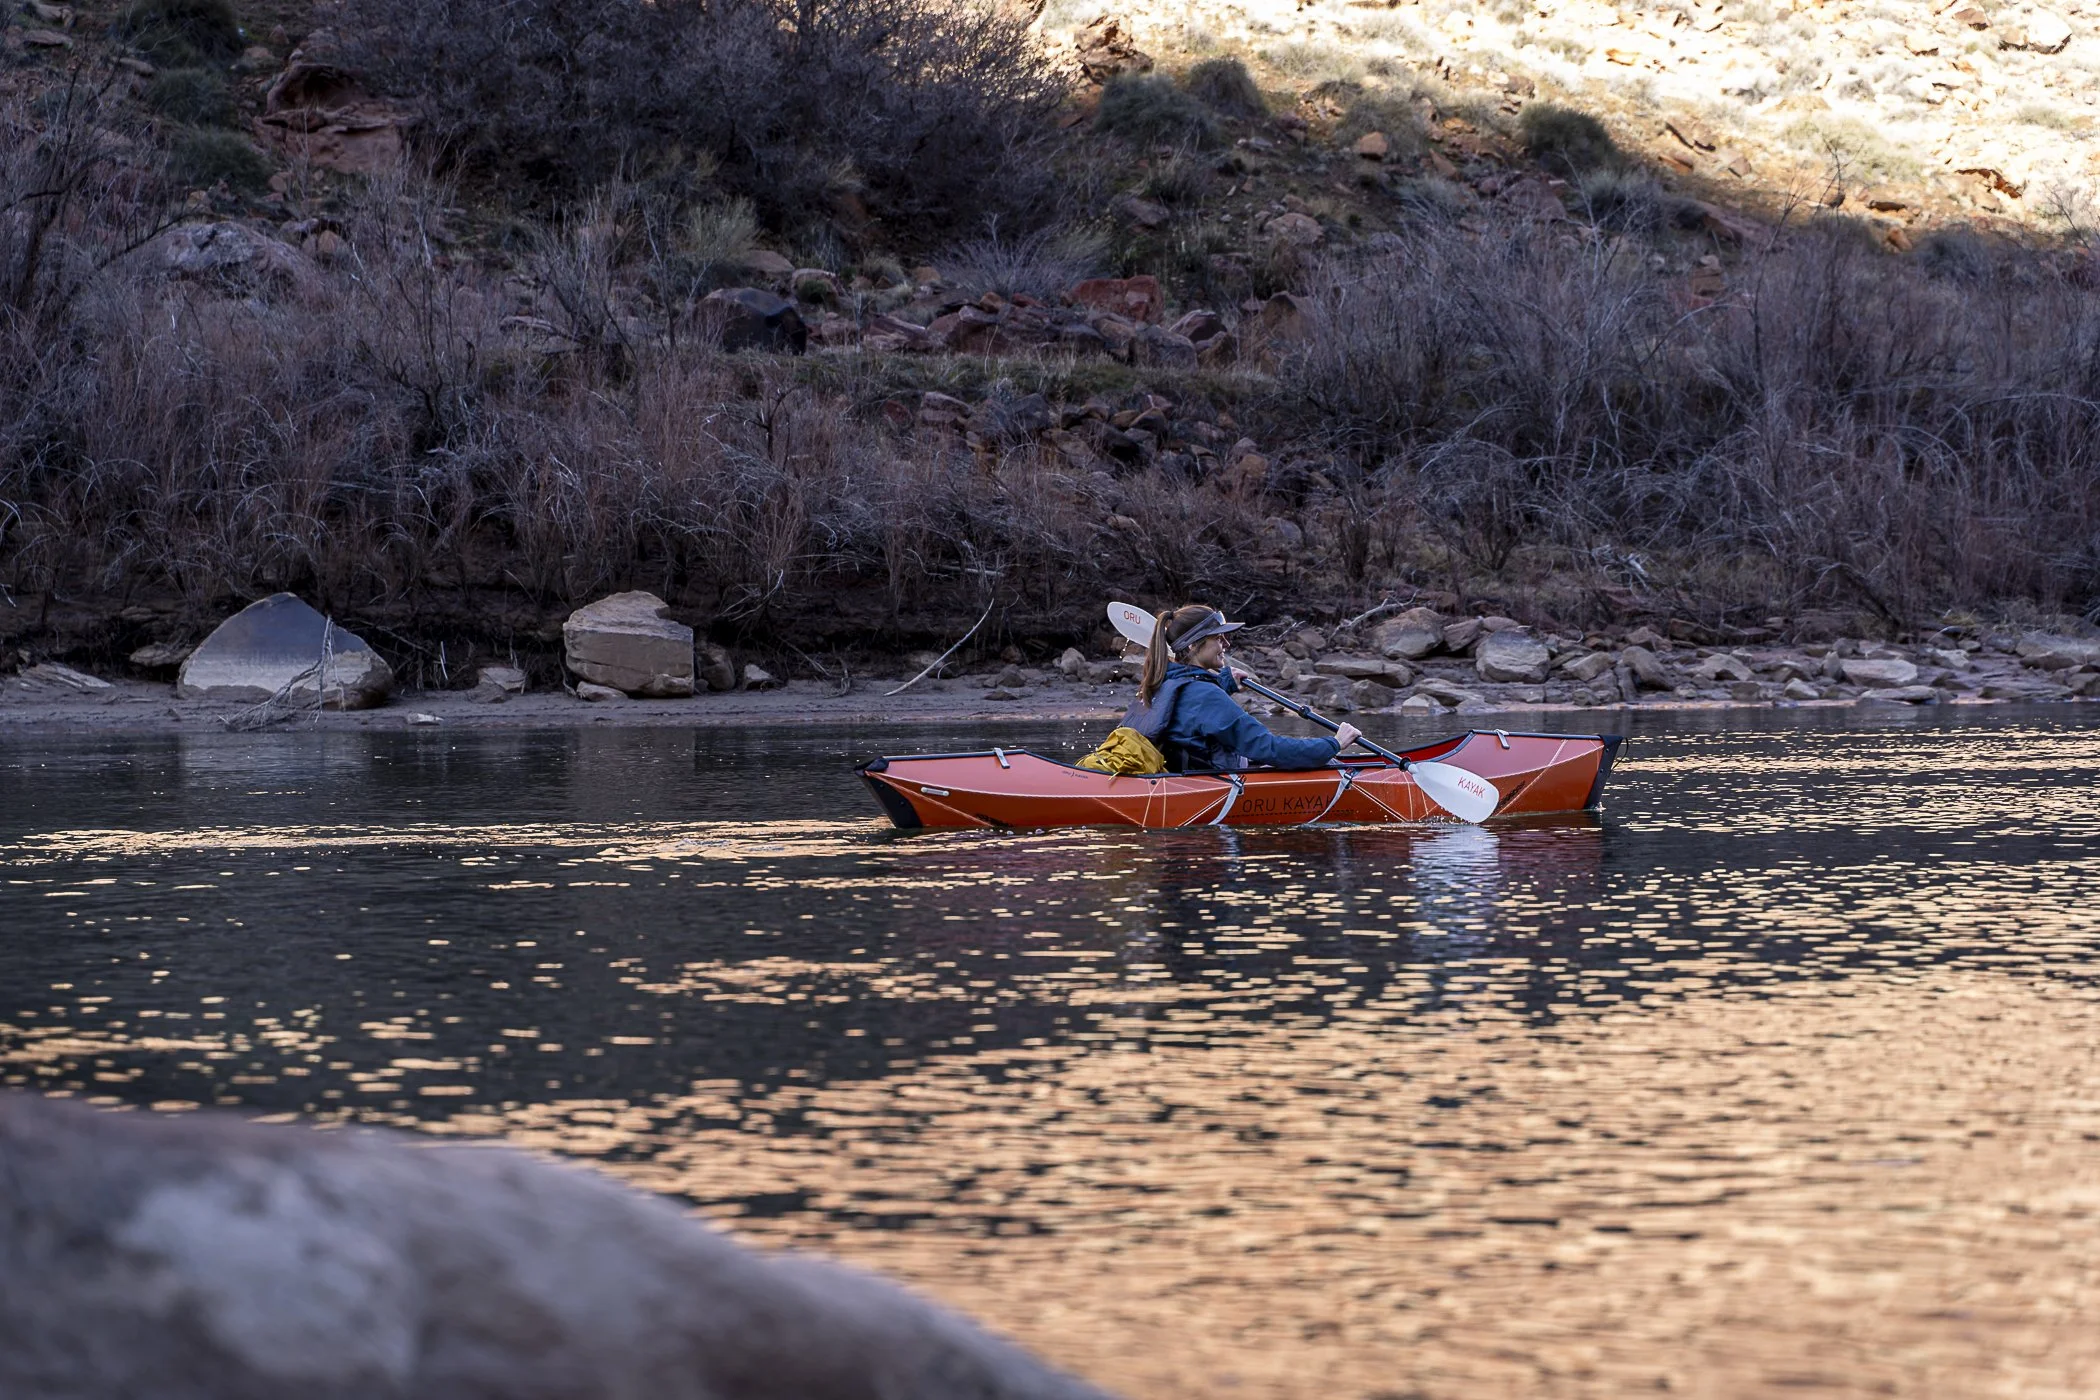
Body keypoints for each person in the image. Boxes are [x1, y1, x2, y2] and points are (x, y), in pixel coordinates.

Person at [1121, 604, 1362, 772]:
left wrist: (1224, 682)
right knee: (1328, 763)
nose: (1226, 643)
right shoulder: (1205, 695)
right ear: (1194, 645)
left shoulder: (1161, 683)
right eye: (1218, 638)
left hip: (1182, 776)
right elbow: (1269, 749)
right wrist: (1334, 744)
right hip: (1212, 786)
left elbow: (1193, 711)